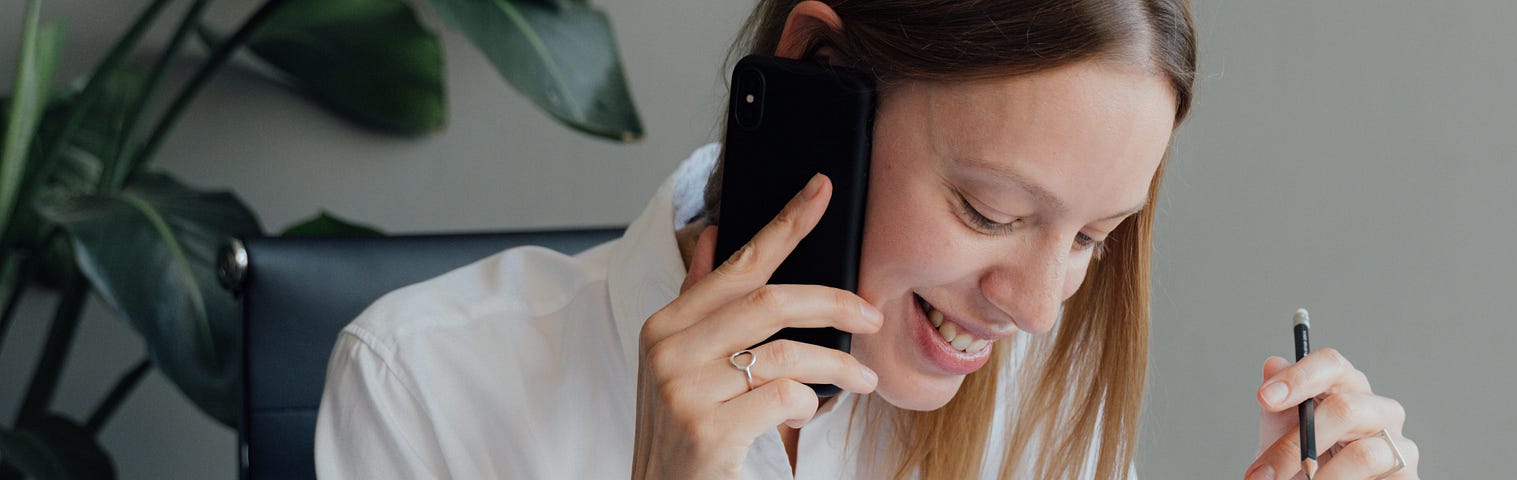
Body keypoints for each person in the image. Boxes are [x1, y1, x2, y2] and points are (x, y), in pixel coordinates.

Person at [315, 0, 1421, 478]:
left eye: (1092, 237)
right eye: (990, 212)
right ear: (818, 77)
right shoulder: (426, 381)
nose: (1036, 309)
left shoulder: (1028, 401)